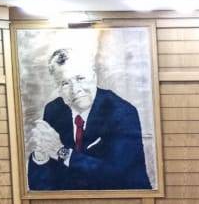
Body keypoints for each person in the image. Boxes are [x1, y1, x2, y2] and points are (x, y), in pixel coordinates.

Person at [27, 47, 151, 191]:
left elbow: (117, 176)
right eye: (65, 83)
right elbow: (41, 187)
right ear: (58, 89)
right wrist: (41, 156)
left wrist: (61, 152)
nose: (75, 90)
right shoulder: (54, 111)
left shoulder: (122, 112)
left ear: (93, 77)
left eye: (80, 78)